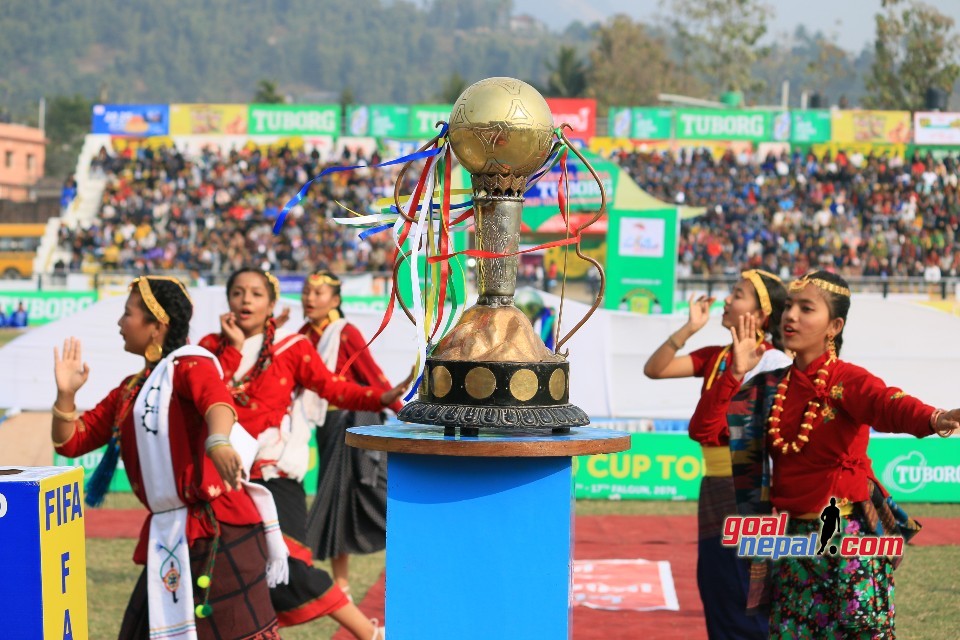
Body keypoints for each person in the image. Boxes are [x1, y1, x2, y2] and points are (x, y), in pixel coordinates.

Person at [710, 270, 960, 638]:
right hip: (792, 542)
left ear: (834, 326)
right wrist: (734, 374)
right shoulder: (768, 388)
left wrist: (934, 417)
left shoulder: (847, 380)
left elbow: (888, 403)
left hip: (849, 541)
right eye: (790, 306)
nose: (790, 315)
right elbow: (706, 429)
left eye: (806, 308)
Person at [52, 276, 284, 640]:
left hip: (218, 533)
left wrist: (218, 442)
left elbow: (217, 402)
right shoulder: (130, 391)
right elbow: (70, 441)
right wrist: (65, 395)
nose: (119, 323)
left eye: (127, 314)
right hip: (170, 538)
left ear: (157, 325)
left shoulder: (190, 365)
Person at [199, 267, 409, 639]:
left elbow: (334, 387)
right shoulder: (210, 348)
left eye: (256, 294)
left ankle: (369, 633)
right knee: (228, 572)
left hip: (275, 472)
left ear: (271, 303)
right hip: (225, 477)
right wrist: (231, 352)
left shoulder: (293, 347)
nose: (245, 300)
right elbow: (208, 396)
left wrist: (383, 397)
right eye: (238, 292)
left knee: (288, 567)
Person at [644, 270, 791, 640]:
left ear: (759, 316)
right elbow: (655, 369)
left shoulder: (772, 363)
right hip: (715, 486)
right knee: (717, 586)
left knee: (744, 591)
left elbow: (706, 429)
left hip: (749, 489)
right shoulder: (718, 356)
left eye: (738, 294)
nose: (727, 300)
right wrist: (689, 328)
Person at [297, 271, 400, 599]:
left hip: (355, 421)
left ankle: (417, 546)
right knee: (335, 501)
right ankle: (341, 584)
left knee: (371, 492)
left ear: (336, 300)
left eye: (319, 292)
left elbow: (372, 375)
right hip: (325, 427)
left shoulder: (345, 333)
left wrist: (402, 411)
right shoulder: (302, 337)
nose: (310, 298)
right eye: (306, 291)